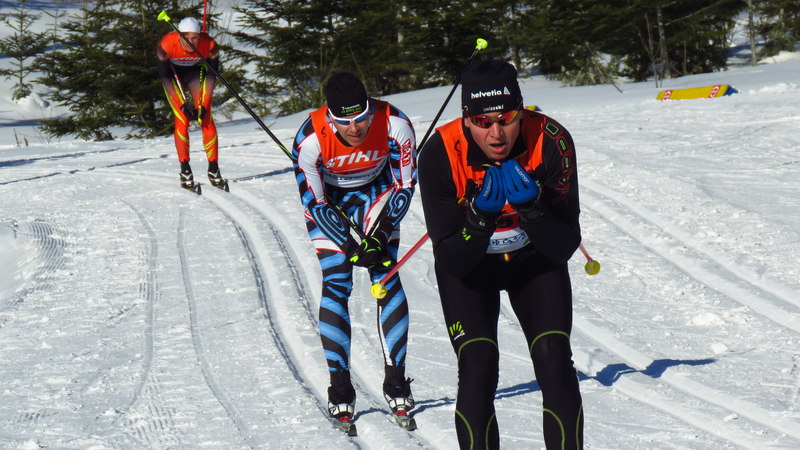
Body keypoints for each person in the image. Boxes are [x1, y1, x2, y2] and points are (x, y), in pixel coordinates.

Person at [418, 59, 584, 449]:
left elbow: (563, 245)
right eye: (481, 121)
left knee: (553, 356)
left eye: (506, 118)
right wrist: (479, 220)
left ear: (521, 111)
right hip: (472, 268)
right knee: (477, 365)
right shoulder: (440, 153)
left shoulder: (551, 140)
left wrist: (533, 211)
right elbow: (452, 261)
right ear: (466, 119)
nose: (496, 133)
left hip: (534, 260)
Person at [291, 72, 417, 427]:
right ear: (329, 115)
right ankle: (341, 388)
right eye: (344, 121)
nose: (355, 128)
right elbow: (314, 202)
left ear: (369, 108)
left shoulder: (395, 123)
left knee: (386, 275)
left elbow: (405, 184)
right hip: (332, 203)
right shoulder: (309, 139)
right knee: (336, 281)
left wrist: (382, 233)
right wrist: (348, 245)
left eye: (361, 117)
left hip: (379, 192)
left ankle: (396, 381)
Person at [157, 17, 226, 191]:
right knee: (182, 119)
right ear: (178, 35)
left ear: (200, 36)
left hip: (196, 73)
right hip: (173, 75)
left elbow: (212, 75)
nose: (191, 42)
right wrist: (182, 104)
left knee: (205, 117)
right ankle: (185, 169)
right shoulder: (167, 44)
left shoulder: (209, 44)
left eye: (195, 38)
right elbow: (164, 76)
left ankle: (214, 168)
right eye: (186, 37)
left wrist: (204, 104)